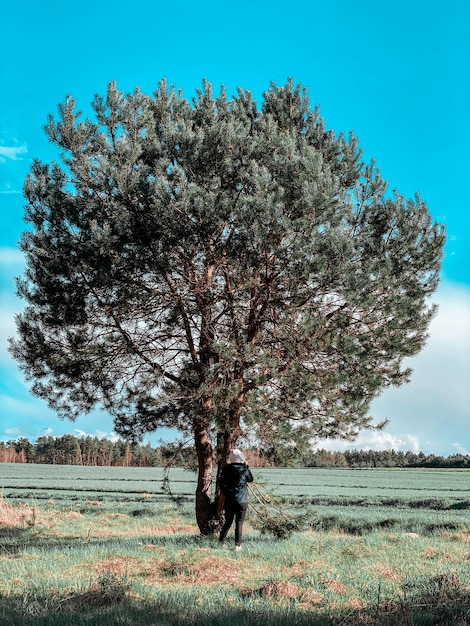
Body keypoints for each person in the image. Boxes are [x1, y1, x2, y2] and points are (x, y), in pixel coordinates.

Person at [219, 448, 253, 550]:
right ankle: (237, 546)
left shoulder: (226, 469)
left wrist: (226, 493)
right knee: (239, 522)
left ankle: (221, 542)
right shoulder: (244, 468)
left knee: (228, 522)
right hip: (242, 500)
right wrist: (247, 466)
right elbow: (250, 479)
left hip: (229, 500)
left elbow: (221, 483)